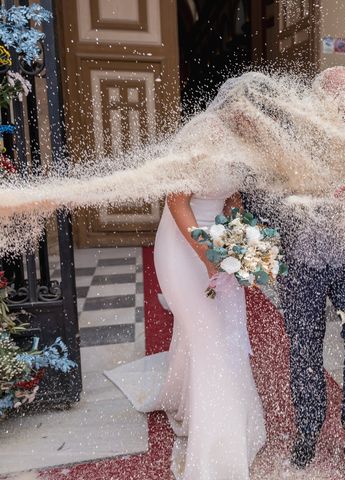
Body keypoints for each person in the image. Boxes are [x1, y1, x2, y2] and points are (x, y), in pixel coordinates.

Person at [105, 83, 267, 480]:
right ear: (234, 112)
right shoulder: (203, 136)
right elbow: (176, 201)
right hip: (182, 244)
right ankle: (215, 452)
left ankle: (218, 415)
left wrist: (242, 237)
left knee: (225, 332)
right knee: (209, 334)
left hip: (217, 244)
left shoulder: (244, 145)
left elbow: (231, 199)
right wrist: (207, 255)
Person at [243, 66, 345, 474]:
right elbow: (257, 199)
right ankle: (308, 428)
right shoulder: (285, 135)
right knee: (304, 350)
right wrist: (313, 192)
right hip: (301, 263)